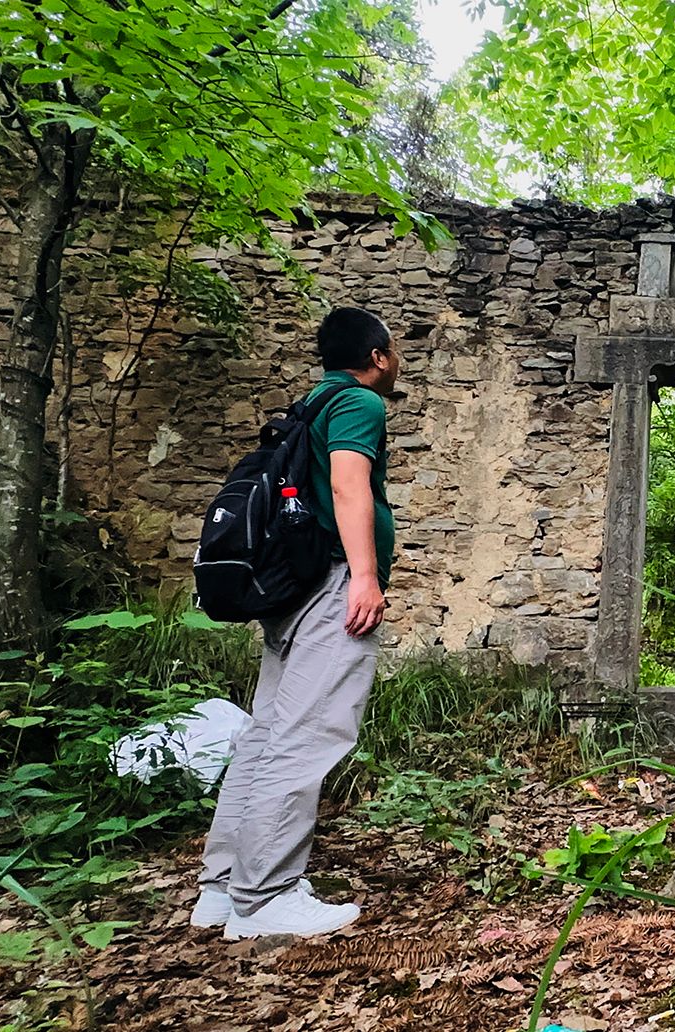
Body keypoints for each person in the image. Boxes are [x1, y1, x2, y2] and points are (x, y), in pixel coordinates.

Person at [188, 306, 399, 938]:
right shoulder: (359, 404)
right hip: (331, 582)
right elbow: (347, 486)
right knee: (306, 735)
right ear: (379, 356)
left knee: (267, 732)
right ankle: (266, 896)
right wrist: (365, 574)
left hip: (290, 587)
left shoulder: (308, 403)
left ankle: (223, 888)